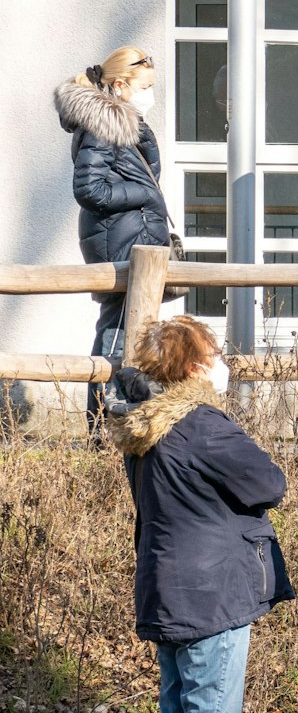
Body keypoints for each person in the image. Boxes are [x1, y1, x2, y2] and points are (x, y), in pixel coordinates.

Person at [108, 317, 291, 713]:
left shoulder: (145, 430)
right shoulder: (204, 425)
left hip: (167, 587)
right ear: (194, 367)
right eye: (215, 353)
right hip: (214, 592)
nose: (223, 362)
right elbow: (270, 484)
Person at [57, 46, 172, 428]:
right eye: (146, 85)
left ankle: (114, 423)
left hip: (128, 239)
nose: (151, 94)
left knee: (127, 332)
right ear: (121, 85)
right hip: (120, 242)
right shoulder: (106, 123)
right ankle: (105, 428)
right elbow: (89, 188)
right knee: (117, 335)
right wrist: (145, 195)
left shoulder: (122, 121)